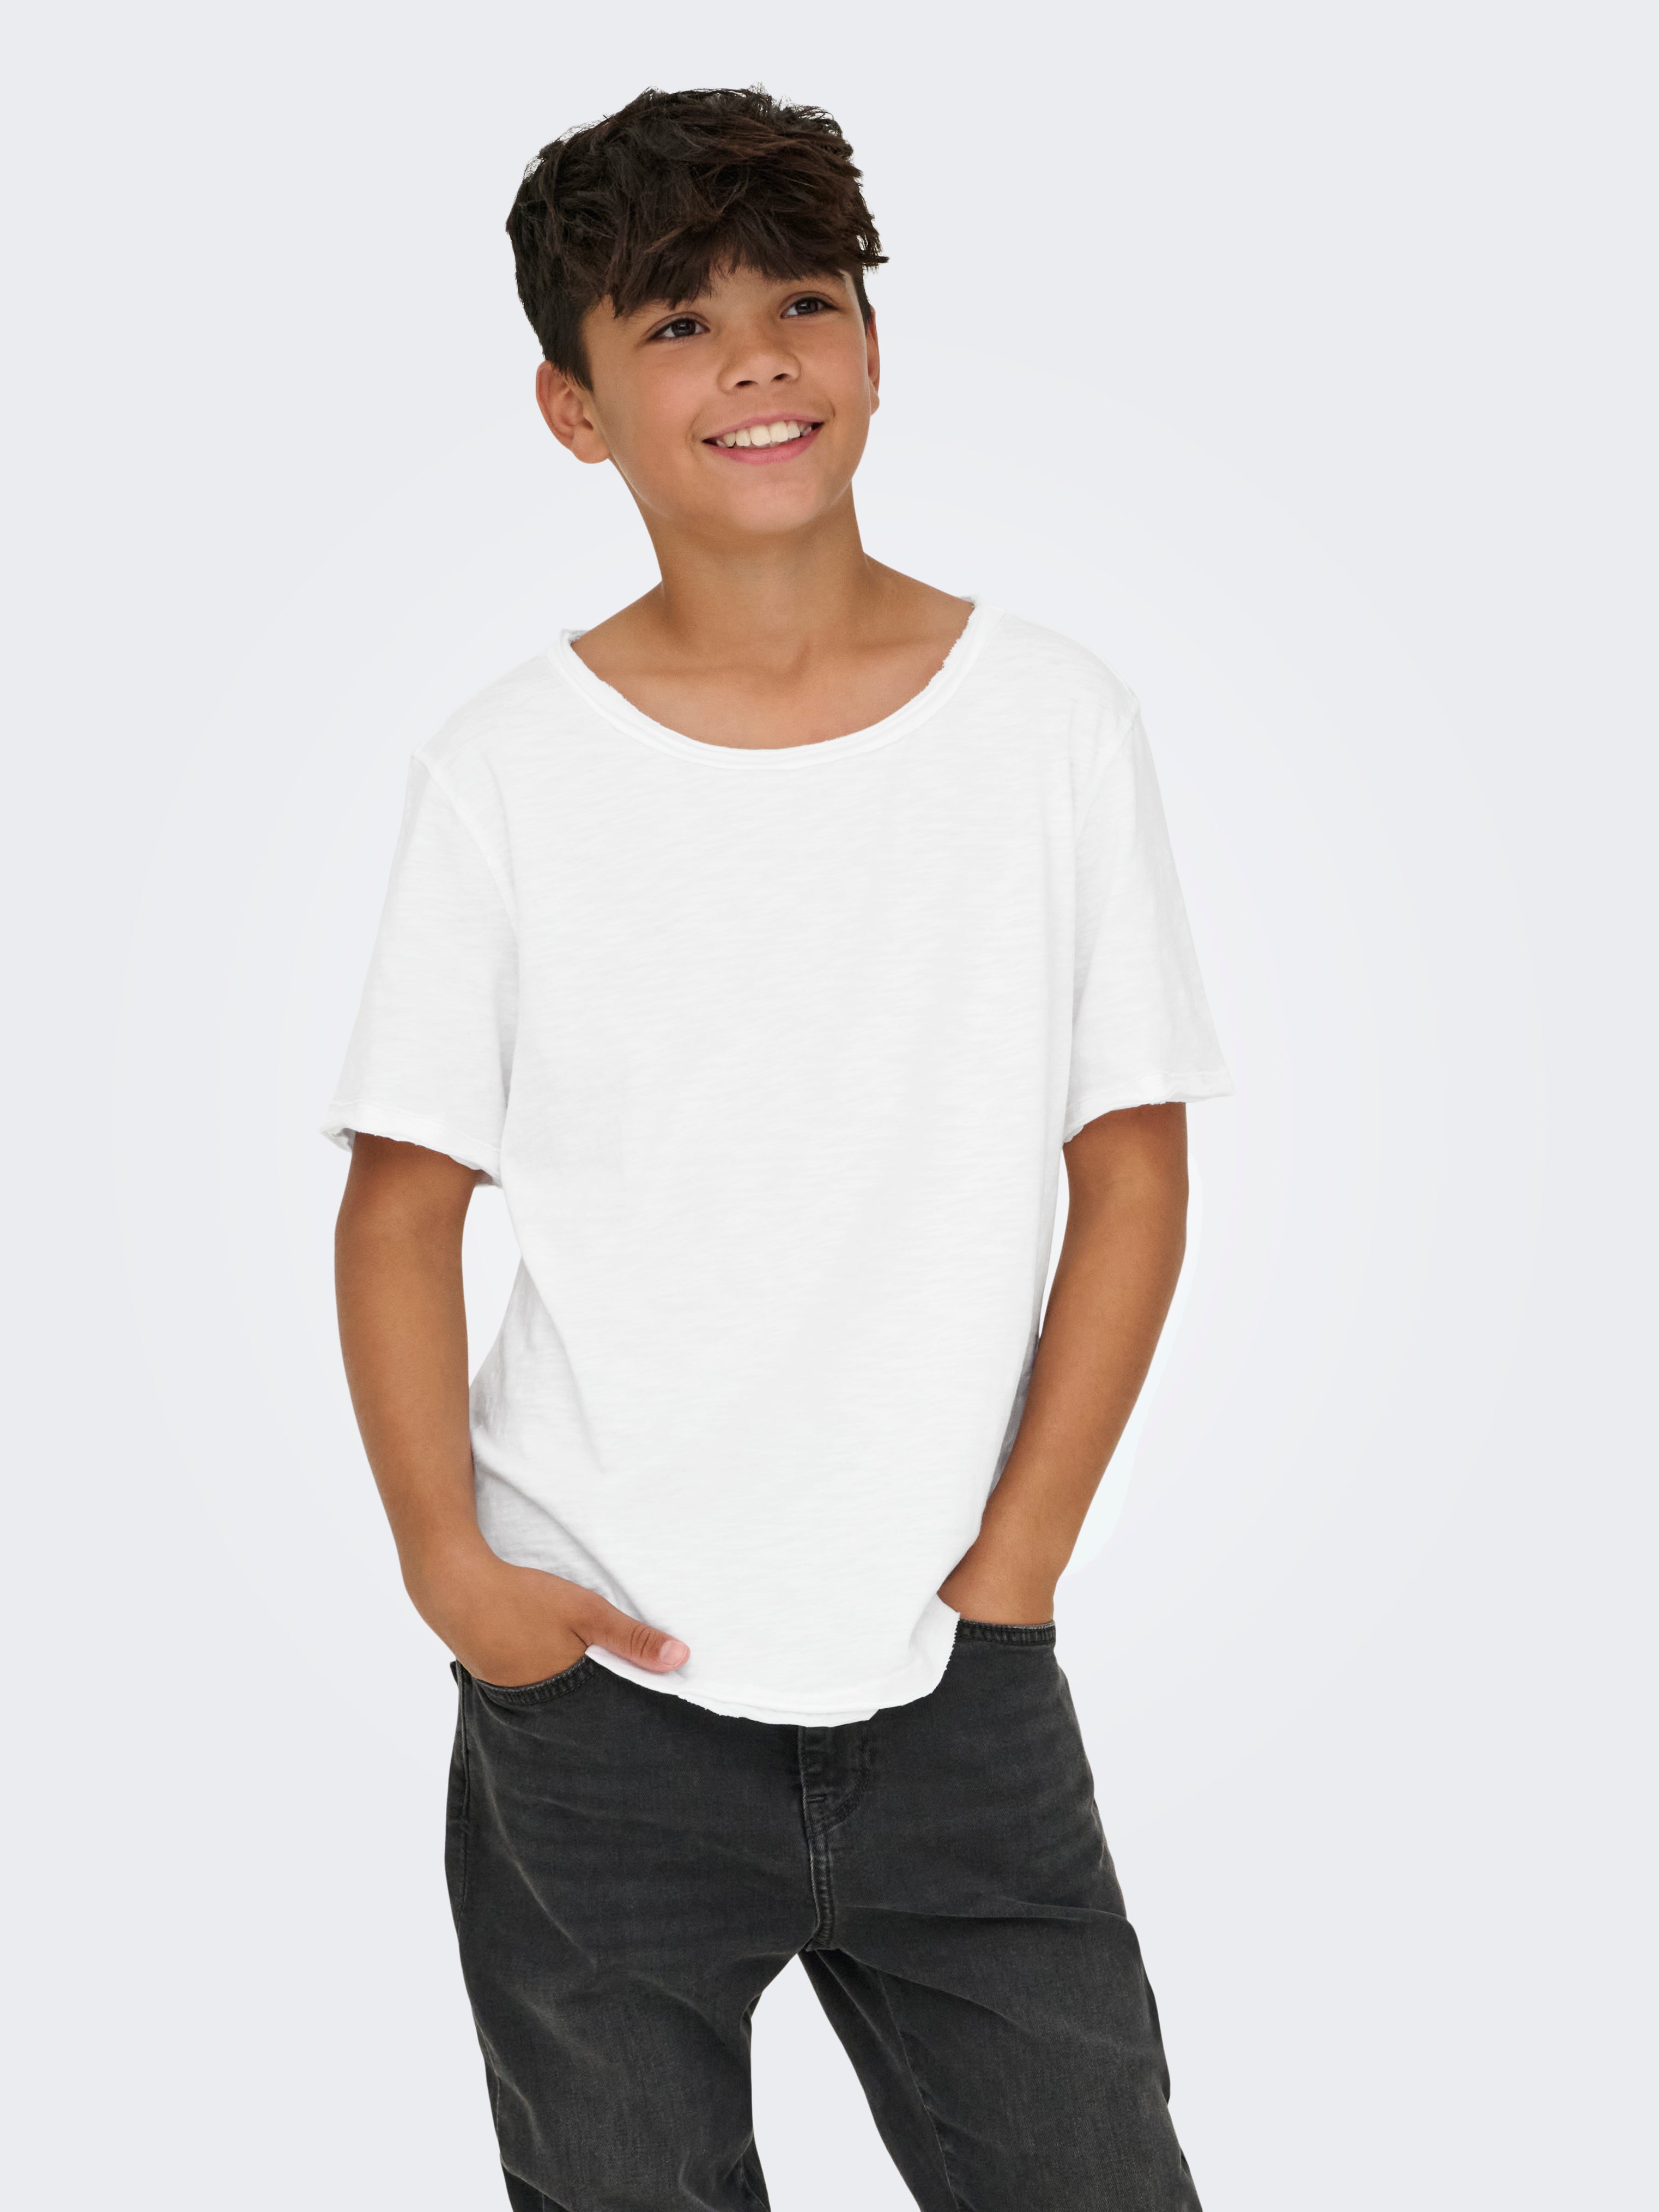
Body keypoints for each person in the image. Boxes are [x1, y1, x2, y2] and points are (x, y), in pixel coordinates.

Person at [327, 84, 1231, 2212]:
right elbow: (400, 1205)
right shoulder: (503, 773)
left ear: (872, 349)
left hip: (953, 1684)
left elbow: (1129, 1163)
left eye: (799, 303)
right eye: (676, 323)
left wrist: (1013, 1565)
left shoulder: (1048, 724)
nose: (753, 359)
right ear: (573, 410)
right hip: (598, 1696)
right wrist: (452, 1565)